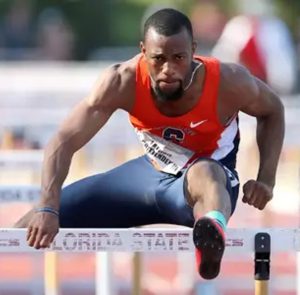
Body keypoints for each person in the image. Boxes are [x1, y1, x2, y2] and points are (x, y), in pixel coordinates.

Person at [15, 8, 284, 280]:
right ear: (143, 51)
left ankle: (210, 237)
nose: (168, 70)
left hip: (205, 185)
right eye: (158, 59)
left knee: (205, 172)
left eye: (179, 58)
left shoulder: (228, 82)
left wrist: (266, 179)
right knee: (32, 222)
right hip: (146, 177)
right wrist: (48, 207)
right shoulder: (123, 81)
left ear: (193, 50)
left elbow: (273, 110)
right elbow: (64, 140)